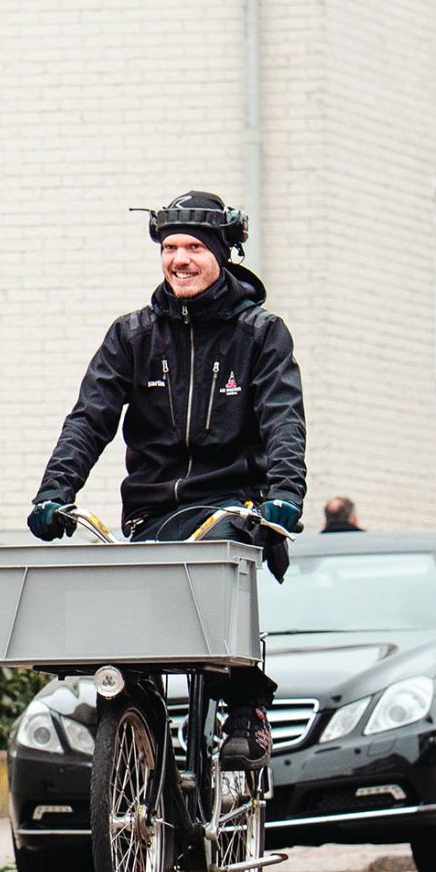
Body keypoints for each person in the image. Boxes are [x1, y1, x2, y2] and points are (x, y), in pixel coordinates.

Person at [27, 191, 307, 765]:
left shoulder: (260, 333)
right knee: (134, 643)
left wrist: (284, 495)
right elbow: (90, 418)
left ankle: (247, 708)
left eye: (195, 248)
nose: (180, 258)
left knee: (223, 574)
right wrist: (55, 491)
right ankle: (139, 742)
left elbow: (283, 417)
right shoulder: (132, 335)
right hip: (153, 511)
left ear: (222, 255)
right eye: (170, 247)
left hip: (236, 504)